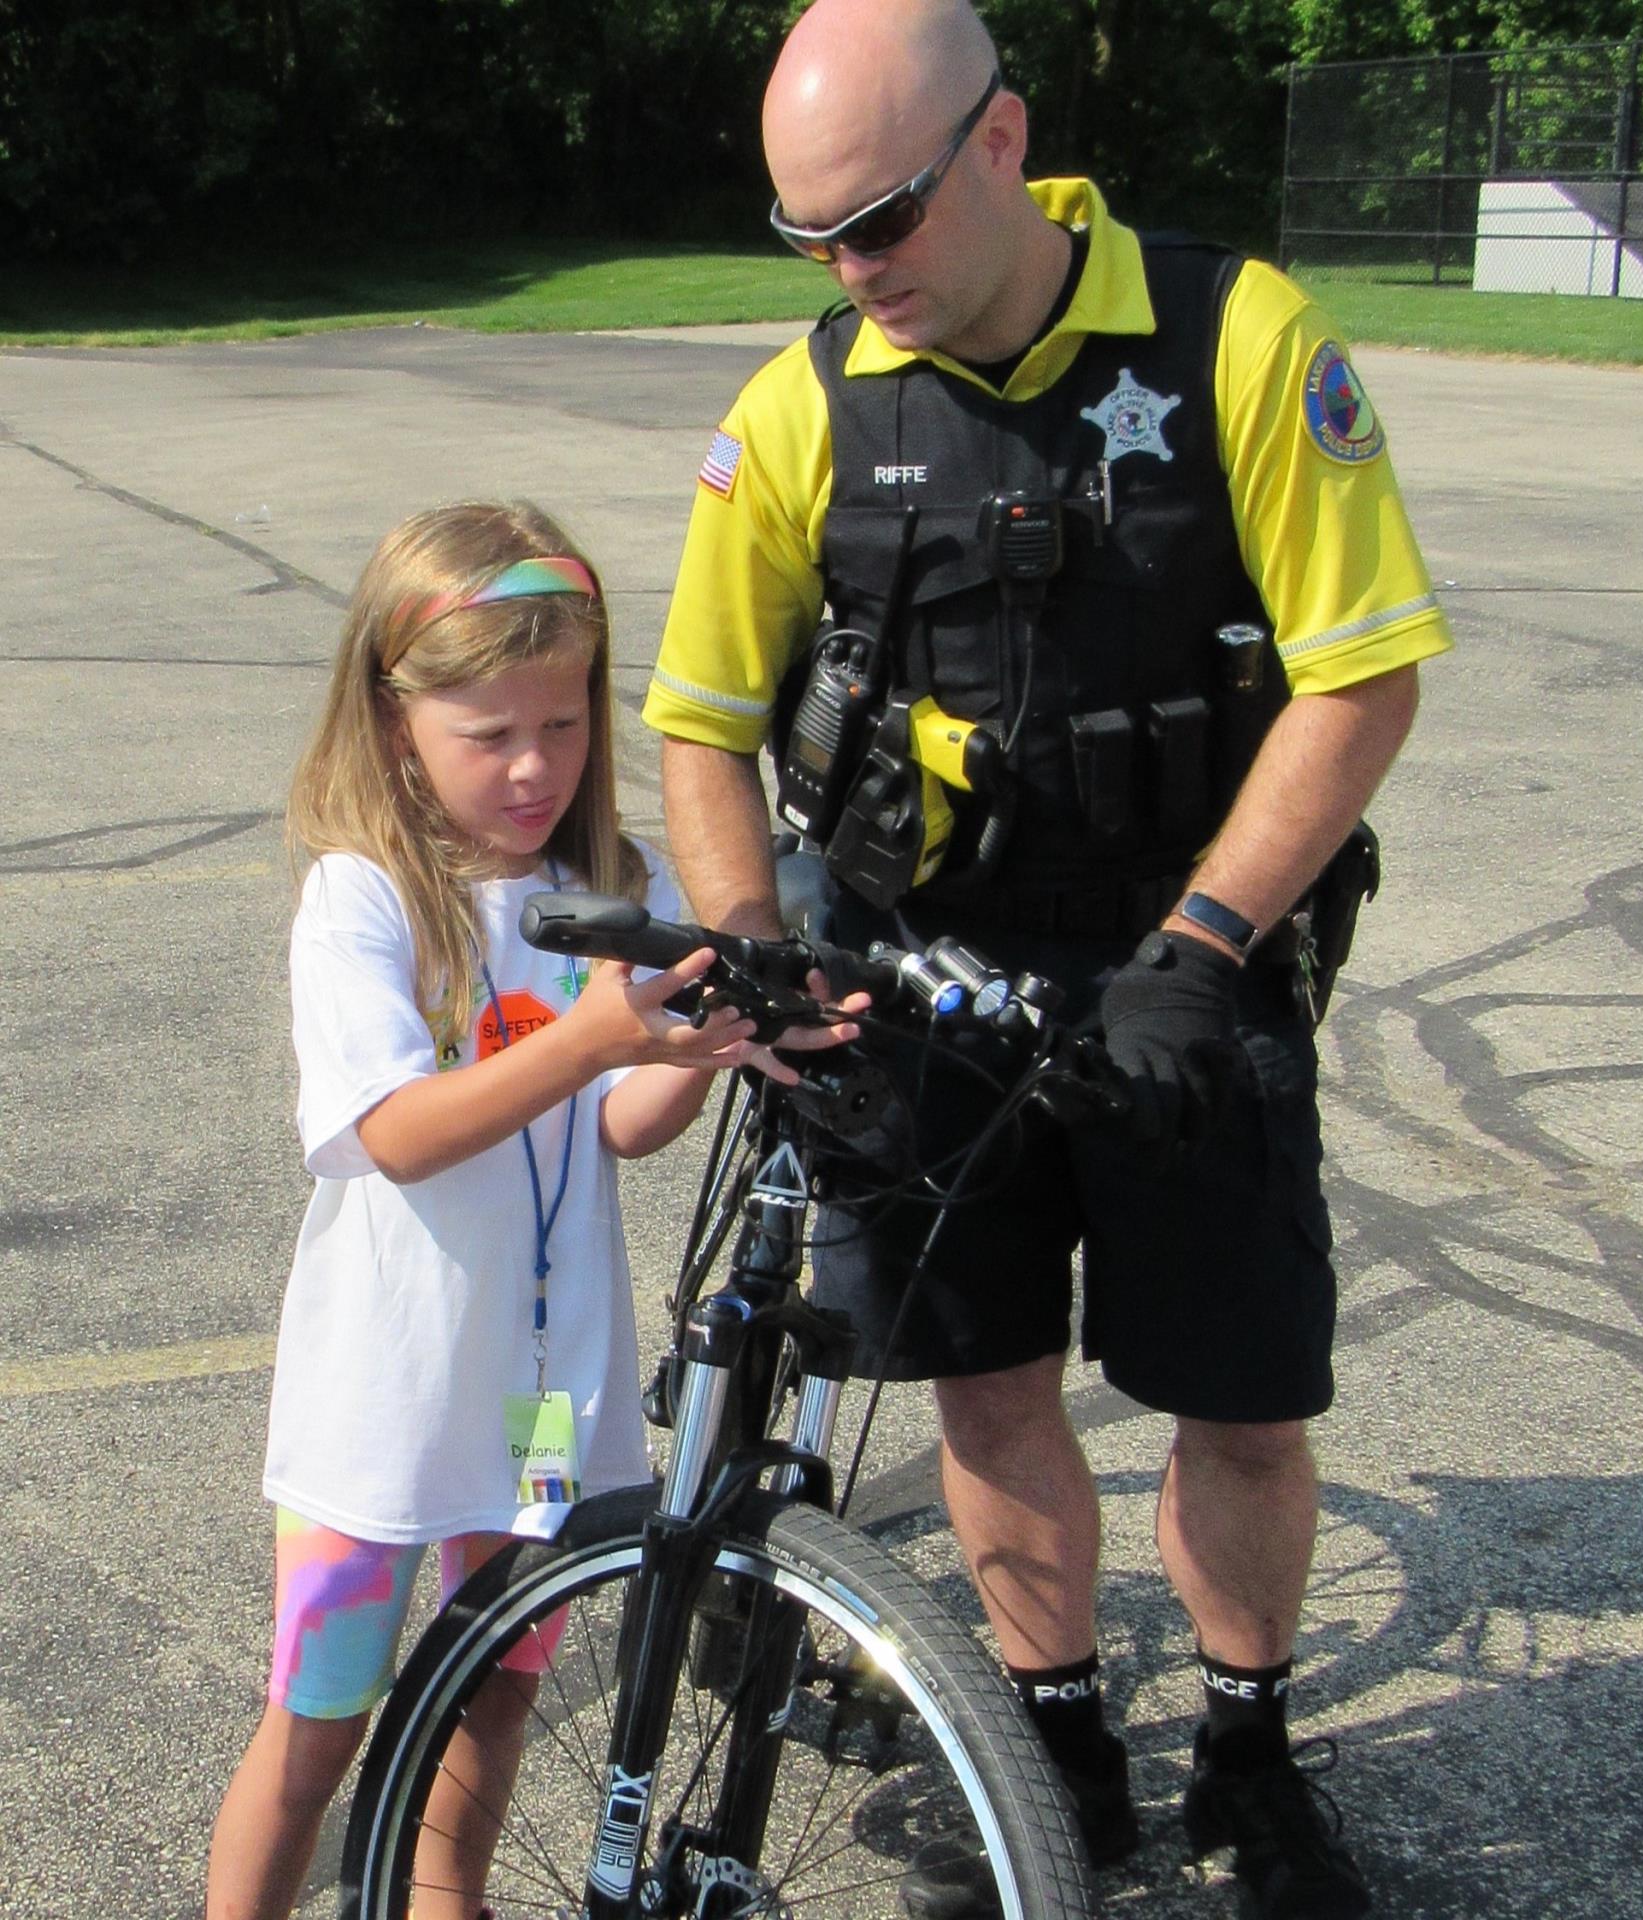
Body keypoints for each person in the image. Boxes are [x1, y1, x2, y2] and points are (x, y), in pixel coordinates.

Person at [643, 4, 1451, 1914]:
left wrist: (1204, 943)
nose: (854, 272)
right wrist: (760, 967)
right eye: (813, 237)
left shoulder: (1236, 338)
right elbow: (698, 720)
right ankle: (1057, 1731)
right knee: (990, 1383)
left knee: (1242, 1393)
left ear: (1002, 138)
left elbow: (1364, 672)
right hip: (925, 973)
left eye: (886, 218)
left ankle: (1249, 1752)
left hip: (1190, 960)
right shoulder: (801, 408)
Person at [206, 500, 855, 1920]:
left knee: (495, 1694)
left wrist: (700, 1051)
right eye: (489, 733)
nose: (532, 767)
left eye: (561, 727)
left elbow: (618, 1121)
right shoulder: (364, 896)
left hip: (545, 1402)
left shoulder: (607, 889)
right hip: (380, 1403)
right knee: (319, 1728)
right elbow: (386, 1130)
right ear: (393, 723)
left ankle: (450, 1903)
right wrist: (585, 1040)